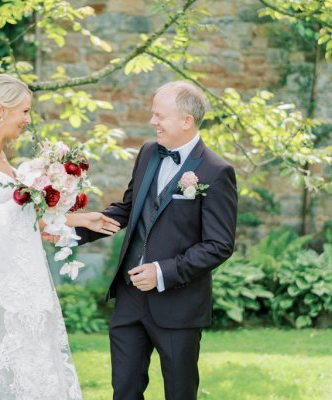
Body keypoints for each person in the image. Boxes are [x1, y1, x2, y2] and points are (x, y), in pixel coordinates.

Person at [0, 74, 119, 399]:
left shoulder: (6, 161)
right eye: (25, 111)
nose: (28, 121)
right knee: (1, 371)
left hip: (24, 284)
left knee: (37, 367)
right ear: (1, 111)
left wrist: (79, 219)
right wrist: (14, 214)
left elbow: (29, 219)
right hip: (0, 289)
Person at [75, 81, 238, 400]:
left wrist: (162, 273)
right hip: (129, 299)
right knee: (124, 390)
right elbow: (129, 208)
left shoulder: (217, 172)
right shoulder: (148, 152)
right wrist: (71, 230)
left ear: (186, 121)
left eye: (159, 116)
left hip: (178, 305)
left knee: (179, 392)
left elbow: (219, 245)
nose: (153, 122)